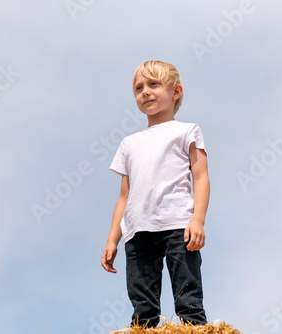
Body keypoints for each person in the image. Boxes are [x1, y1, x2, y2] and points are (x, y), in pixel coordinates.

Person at [101, 60, 210, 328]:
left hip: (178, 226)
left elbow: (201, 177)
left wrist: (198, 220)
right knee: (142, 308)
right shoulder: (129, 143)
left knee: (188, 299)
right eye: (138, 88)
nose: (145, 92)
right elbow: (124, 196)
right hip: (137, 232)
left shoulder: (187, 130)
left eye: (153, 84)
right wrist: (112, 239)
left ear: (176, 92)